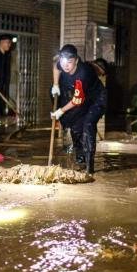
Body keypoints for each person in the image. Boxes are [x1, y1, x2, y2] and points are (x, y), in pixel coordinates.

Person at [51, 44, 107, 175]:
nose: (66, 66)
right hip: (83, 98)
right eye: (64, 62)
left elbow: (77, 100)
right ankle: (80, 159)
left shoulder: (83, 73)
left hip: (97, 99)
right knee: (76, 127)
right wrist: (55, 84)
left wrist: (60, 111)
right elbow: (56, 67)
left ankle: (89, 165)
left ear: (76, 60)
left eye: (70, 63)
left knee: (88, 124)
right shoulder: (62, 63)